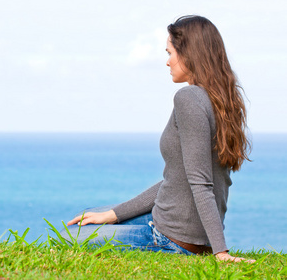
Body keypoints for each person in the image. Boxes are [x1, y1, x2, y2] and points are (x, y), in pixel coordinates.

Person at [61, 15, 254, 263]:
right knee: (89, 216)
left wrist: (220, 252)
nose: (167, 62)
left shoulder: (189, 98)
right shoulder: (223, 101)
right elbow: (176, 180)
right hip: (178, 226)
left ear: (189, 54)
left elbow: (201, 182)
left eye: (170, 52)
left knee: (70, 236)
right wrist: (114, 214)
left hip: (171, 237)